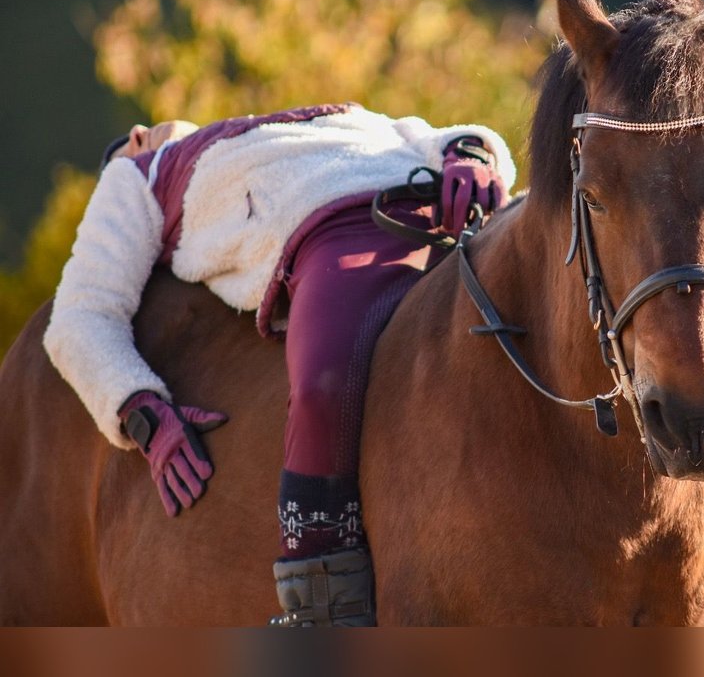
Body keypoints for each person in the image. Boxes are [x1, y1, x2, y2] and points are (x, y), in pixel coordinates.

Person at [43, 102, 514, 626]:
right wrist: (140, 411)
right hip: (332, 231)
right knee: (323, 386)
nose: (136, 130)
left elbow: (438, 132)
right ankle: (323, 602)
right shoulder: (140, 175)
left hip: (448, 204)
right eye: (128, 142)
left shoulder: (322, 115)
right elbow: (80, 316)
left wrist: (471, 153)